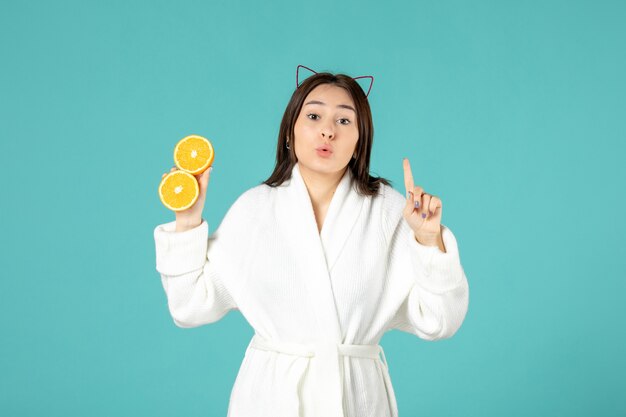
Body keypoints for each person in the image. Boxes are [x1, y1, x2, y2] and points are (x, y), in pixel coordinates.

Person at [153, 65, 470, 417]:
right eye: (314, 116)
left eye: (344, 121)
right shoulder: (254, 210)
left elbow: (441, 320)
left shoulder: (390, 212)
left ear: (359, 141)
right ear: (290, 131)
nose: (328, 131)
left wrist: (428, 240)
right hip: (270, 400)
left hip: (356, 400)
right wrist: (187, 221)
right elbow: (189, 306)